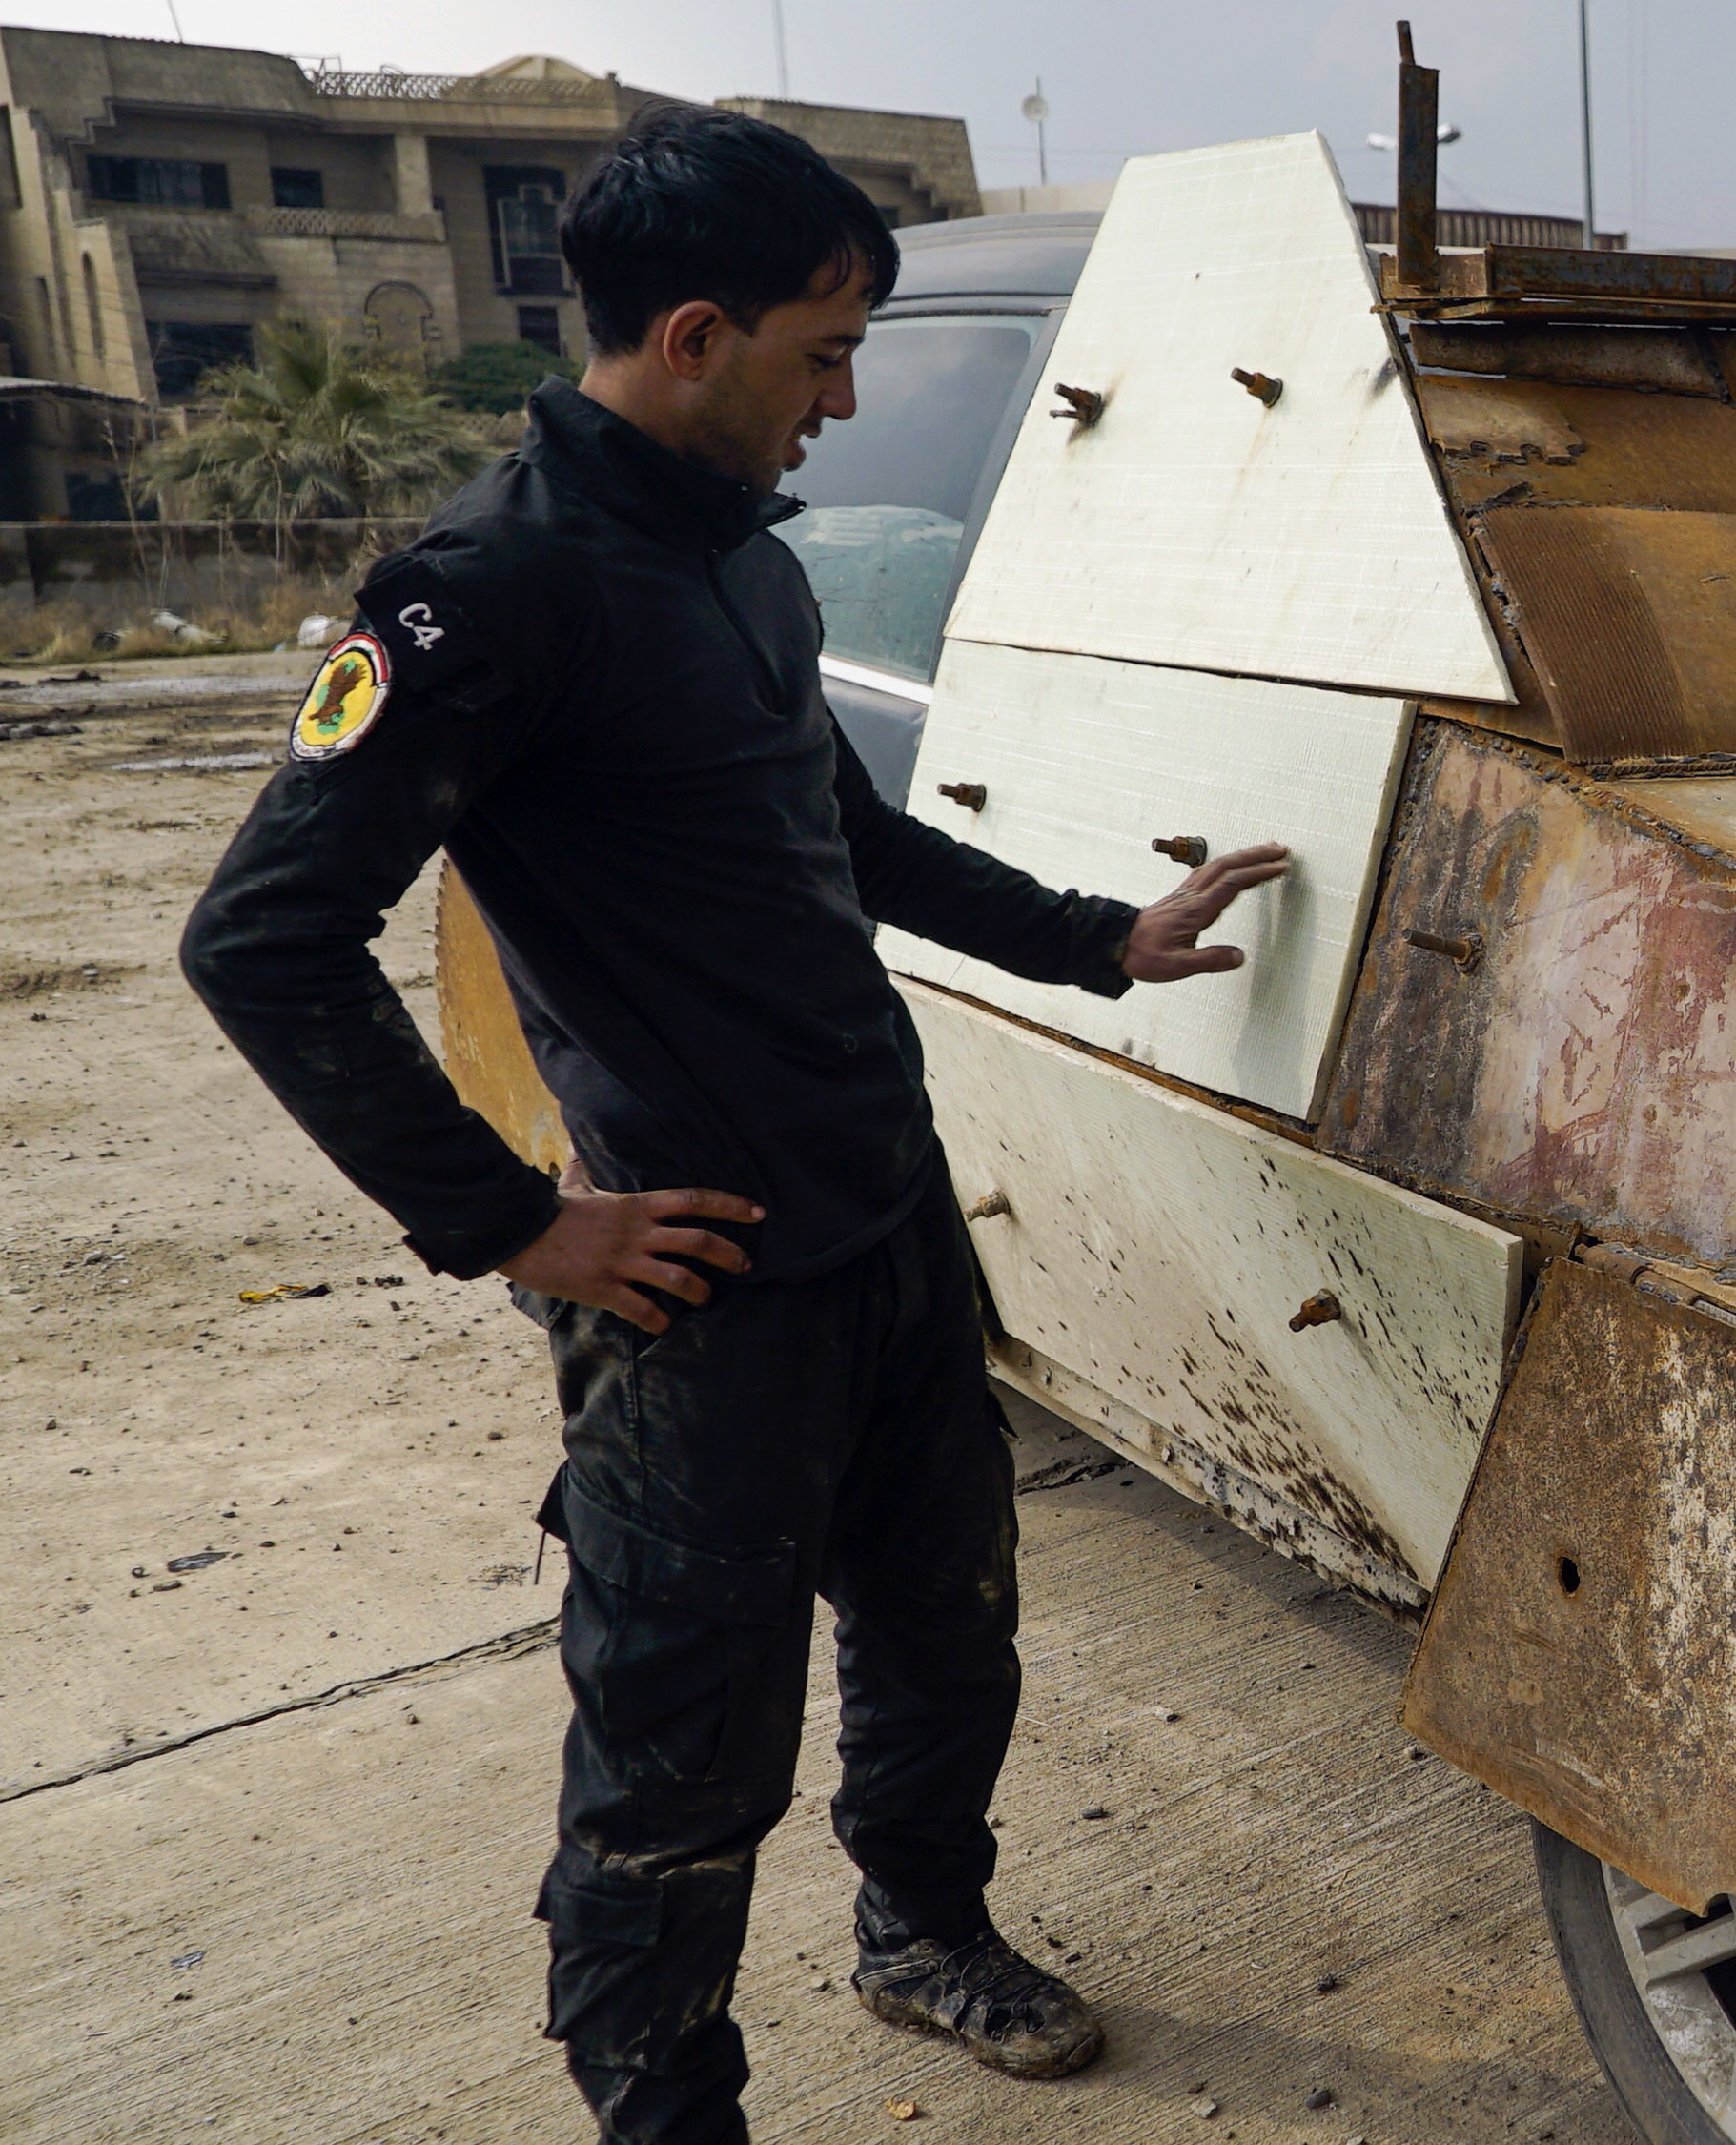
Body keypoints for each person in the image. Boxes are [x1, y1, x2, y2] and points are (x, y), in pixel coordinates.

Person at [178, 105, 1285, 2144]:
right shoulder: (482, 596)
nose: (842, 402)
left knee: (949, 1649)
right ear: (693, 336)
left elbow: (843, 841)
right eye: (819, 354)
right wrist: (514, 1223)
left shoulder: (743, 569)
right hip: (705, 1295)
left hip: (881, 1228)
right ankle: (663, 2101)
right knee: (684, 1755)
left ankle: (922, 1933)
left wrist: (1103, 943)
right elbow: (258, 943)